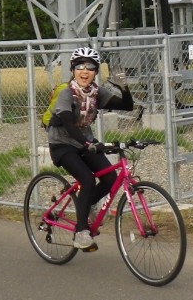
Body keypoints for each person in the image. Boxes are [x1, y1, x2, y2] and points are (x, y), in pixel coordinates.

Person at [46, 47, 133, 250]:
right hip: (63, 145)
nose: (85, 71)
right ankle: (81, 232)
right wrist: (88, 144)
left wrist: (125, 88)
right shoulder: (67, 93)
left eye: (91, 67)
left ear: (96, 71)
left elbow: (126, 107)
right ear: (73, 69)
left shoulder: (95, 92)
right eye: (80, 67)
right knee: (87, 179)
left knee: (110, 178)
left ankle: (87, 206)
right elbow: (68, 123)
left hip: (85, 143)